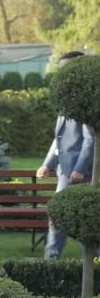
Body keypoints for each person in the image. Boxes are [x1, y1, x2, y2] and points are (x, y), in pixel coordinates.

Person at [37, 51, 95, 260]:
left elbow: (90, 140)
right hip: (65, 172)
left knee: (66, 220)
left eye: (67, 68)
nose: (62, 74)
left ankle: (54, 264)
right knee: (66, 220)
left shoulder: (87, 101)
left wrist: (79, 169)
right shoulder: (67, 100)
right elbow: (59, 138)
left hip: (79, 175)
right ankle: (53, 265)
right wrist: (48, 164)